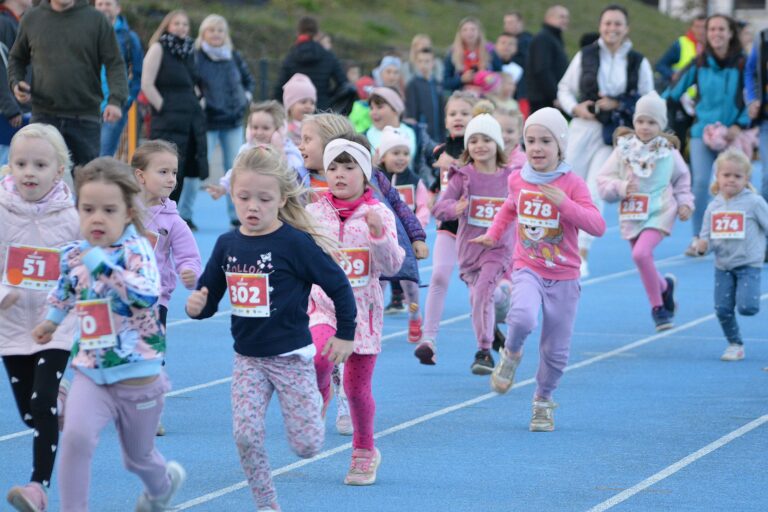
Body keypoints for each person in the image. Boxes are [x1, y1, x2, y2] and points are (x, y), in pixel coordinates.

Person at [186, 145, 357, 511]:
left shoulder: (294, 243)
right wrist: (197, 307)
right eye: (244, 197)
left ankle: (318, 393)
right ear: (232, 196)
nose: (253, 206)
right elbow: (209, 295)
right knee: (245, 436)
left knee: (307, 446)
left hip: (292, 358)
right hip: (248, 359)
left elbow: (339, 285)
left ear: (281, 199)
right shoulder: (227, 244)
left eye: (263, 199)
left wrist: (345, 333)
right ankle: (266, 503)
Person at [32, 157, 185, 511]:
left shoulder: (138, 252)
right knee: (75, 440)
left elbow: (146, 295)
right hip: (91, 372)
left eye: (108, 210)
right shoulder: (74, 252)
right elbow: (67, 289)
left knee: (138, 457)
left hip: (138, 376)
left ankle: (161, 488)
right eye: (87, 209)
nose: (96, 218)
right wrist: (52, 321)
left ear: (128, 213)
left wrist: (103, 265)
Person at [473, 107, 606, 432]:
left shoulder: (572, 184)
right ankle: (511, 353)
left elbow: (597, 225)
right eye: (530, 140)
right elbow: (508, 208)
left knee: (556, 350)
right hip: (528, 267)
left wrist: (564, 203)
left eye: (545, 141)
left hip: (564, 277)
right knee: (521, 317)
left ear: (560, 146)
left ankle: (543, 400)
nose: (536, 148)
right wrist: (493, 234)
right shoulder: (519, 179)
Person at [307, 136, 404, 486]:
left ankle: (364, 450)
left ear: (365, 176)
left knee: (357, 389)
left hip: (364, 315)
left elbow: (393, 265)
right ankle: (319, 392)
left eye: (349, 167)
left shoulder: (378, 214)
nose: (340, 174)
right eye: (333, 167)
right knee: (319, 357)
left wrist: (379, 237)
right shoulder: (314, 212)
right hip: (325, 307)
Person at [1, 124, 79, 512]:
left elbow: (82, 268)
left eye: (39, 164)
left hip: (57, 326)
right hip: (12, 327)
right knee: (31, 414)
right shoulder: (1, 211)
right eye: (20, 163)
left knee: (42, 397)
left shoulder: (72, 217)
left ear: (59, 169)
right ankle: (61, 400)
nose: (29, 172)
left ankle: (37, 487)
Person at [557, 4, 654, 277]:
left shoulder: (637, 61)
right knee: (567, 187)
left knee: (594, 189)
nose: (612, 29)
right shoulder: (586, 54)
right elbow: (564, 88)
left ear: (626, 28)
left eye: (617, 24)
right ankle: (559, 244)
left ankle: (582, 252)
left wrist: (620, 104)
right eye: (608, 23)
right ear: (601, 26)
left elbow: (648, 98)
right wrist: (574, 108)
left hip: (613, 135)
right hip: (582, 130)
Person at [596, 91, 694, 331]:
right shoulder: (624, 149)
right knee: (642, 260)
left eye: (651, 122)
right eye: (640, 121)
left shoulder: (668, 151)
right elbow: (603, 180)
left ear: (661, 125)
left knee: (641, 255)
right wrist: (620, 187)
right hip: (632, 212)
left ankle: (658, 308)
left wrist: (685, 203)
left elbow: (682, 179)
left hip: (660, 209)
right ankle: (665, 287)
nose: (645, 127)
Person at [432, 109, 515, 374]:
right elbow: (439, 207)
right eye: (474, 140)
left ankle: (483, 351)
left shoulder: (510, 177)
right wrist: (455, 208)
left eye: (487, 140)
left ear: (498, 144)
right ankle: (496, 335)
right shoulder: (462, 177)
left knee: (482, 294)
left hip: (498, 250)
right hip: (469, 251)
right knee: (478, 300)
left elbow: (526, 203)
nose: (480, 146)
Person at [663, 14, 750, 258]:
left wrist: (740, 124)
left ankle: (741, 238)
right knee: (700, 183)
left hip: (733, 134)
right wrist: (651, 112)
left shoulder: (743, 63)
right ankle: (699, 238)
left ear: (730, 33)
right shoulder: (699, 62)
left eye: (721, 29)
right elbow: (672, 91)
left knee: (736, 185)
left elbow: (751, 96)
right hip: (703, 131)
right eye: (712, 29)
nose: (716, 33)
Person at [8, 0, 128, 169]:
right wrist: (16, 83)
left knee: (86, 182)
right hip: (43, 116)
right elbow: (17, 59)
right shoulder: (32, 18)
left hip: (85, 118)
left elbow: (115, 63)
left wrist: (115, 100)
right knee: (39, 179)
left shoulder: (96, 20)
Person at [414, 91, 475, 364]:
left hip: (477, 228)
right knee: (438, 277)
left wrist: (462, 165)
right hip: (448, 225)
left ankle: (489, 337)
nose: (458, 118)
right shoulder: (439, 152)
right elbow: (438, 186)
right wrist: (434, 194)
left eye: (464, 113)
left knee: (478, 287)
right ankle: (429, 339)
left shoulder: (481, 149)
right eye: (453, 113)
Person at [694, 149, 768, 362]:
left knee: (748, 307)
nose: (732, 180)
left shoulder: (754, 202)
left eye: (738, 176)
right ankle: (735, 344)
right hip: (723, 265)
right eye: (727, 175)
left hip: (748, 263)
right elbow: (705, 236)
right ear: (717, 176)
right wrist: (701, 246)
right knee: (722, 308)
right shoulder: (713, 206)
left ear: (747, 179)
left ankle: (745, 303)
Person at [141, 10, 208, 231]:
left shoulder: (190, 51)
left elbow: (195, 81)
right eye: (177, 23)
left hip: (189, 120)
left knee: (181, 170)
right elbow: (147, 83)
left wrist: (199, 101)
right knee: (160, 168)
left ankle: (172, 218)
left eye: (185, 24)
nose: (181, 27)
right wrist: (163, 107)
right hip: (167, 121)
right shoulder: (158, 48)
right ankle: (152, 218)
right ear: (167, 26)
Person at [131, 140, 201, 329]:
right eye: (163, 172)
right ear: (140, 176)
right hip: (119, 297)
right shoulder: (121, 212)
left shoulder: (174, 221)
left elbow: (189, 256)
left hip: (155, 300)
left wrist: (189, 272)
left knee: (151, 356)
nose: (171, 179)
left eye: (174, 172)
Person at [195, 14, 254, 231]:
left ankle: (237, 214)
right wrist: (200, 100)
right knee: (198, 167)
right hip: (208, 120)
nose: (216, 34)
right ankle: (184, 214)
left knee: (236, 168)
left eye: (220, 30)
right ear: (203, 34)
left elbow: (249, 80)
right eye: (211, 30)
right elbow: (191, 82)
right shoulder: (196, 57)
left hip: (233, 120)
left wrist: (244, 98)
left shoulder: (234, 57)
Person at [376, 126, 429, 342]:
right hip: (382, 239)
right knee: (378, 283)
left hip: (405, 239)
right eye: (395, 153)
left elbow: (424, 206)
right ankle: (374, 321)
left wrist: (419, 227)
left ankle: (415, 316)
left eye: (405, 153)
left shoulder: (415, 181)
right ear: (383, 155)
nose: (401, 158)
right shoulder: (377, 180)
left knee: (410, 284)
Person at [208, 100, 309, 209]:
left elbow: (295, 179)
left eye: (265, 128)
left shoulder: (290, 152)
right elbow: (237, 171)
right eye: (255, 127)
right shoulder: (247, 150)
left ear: (280, 130)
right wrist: (223, 187)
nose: (259, 132)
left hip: (286, 207)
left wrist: (279, 151)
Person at [95, 0, 143, 158]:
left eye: (108, 4)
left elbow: (137, 73)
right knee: (85, 156)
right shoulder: (86, 32)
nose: (103, 8)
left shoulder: (129, 38)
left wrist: (127, 100)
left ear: (118, 8)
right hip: (88, 104)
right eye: (100, 4)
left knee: (104, 156)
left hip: (114, 105)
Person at [273, 16, 348, 111]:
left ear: (298, 32)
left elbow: (280, 88)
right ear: (317, 33)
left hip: (297, 110)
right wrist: (329, 98)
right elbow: (343, 84)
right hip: (323, 110)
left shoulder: (290, 57)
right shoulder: (328, 56)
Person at [655, 15, 705, 156]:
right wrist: (672, 75)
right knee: (680, 139)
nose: (701, 31)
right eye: (698, 27)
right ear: (691, 28)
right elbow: (660, 65)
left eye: (704, 27)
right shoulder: (681, 44)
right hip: (681, 100)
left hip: (701, 102)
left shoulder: (712, 49)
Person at [0, 0, 32, 166]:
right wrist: (10, 108)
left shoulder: (17, 22)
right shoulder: (3, 23)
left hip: (21, 109)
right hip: (8, 114)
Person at [745, 26, 768, 254]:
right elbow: (750, 71)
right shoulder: (762, 38)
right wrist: (752, 99)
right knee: (767, 179)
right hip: (766, 120)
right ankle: (764, 241)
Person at [526, 5, 570, 114]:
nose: (565, 20)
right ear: (549, 18)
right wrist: (556, 96)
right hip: (543, 100)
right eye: (561, 17)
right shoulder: (544, 38)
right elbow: (542, 70)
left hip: (549, 99)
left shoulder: (553, 38)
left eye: (566, 17)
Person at [365, 87, 417, 169]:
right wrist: (371, 167)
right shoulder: (363, 137)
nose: (373, 112)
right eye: (371, 108)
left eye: (379, 107)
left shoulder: (416, 132)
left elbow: (434, 156)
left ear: (395, 109)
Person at [443, 17, 498, 93]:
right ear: (460, 33)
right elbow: (445, 83)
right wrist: (461, 79)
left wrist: (489, 79)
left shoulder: (490, 51)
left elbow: (499, 75)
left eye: (473, 29)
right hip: (462, 97)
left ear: (479, 32)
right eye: (465, 30)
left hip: (486, 96)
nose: (469, 33)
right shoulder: (452, 54)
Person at [404, 47, 444, 143]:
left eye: (427, 61)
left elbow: (442, 111)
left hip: (438, 135)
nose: (423, 65)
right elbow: (411, 113)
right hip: (422, 136)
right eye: (420, 61)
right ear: (416, 63)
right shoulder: (413, 84)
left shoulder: (437, 84)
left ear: (433, 63)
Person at [503, 11, 533, 116]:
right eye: (506, 23)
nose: (507, 26)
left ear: (520, 23)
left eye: (511, 22)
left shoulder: (527, 42)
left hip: (523, 92)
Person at [282, 73, 317, 147]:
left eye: (312, 103)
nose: (308, 106)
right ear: (290, 106)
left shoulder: (315, 126)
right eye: (303, 102)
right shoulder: (283, 127)